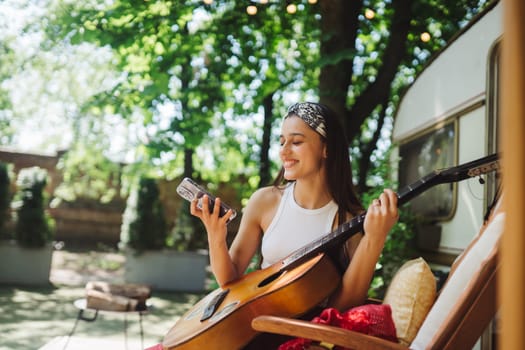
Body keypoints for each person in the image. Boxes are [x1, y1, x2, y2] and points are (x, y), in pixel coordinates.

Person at [191, 101, 398, 314]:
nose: (284, 152)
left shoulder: (349, 219)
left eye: (296, 142)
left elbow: (344, 306)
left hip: (302, 335)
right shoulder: (264, 201)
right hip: (254, 322)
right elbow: (229, 281)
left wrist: (375, 238)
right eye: (282, 142)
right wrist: (215, 236)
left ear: (327, 148)